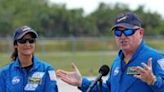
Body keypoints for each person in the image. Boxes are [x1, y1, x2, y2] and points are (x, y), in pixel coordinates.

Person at [56, 12, 164, 92]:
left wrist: (153, 81)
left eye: (127, 31)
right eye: (118, 32)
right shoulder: (117, 62)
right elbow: (109, 89)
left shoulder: (155, 58)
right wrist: (81, 82)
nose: (122, 36)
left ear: (140, 32)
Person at [0, 26, 58, 92]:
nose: (27, 44)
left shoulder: (47, 70)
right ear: (15, 45)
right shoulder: (4, 73)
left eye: (31, 41)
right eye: (23, 41)